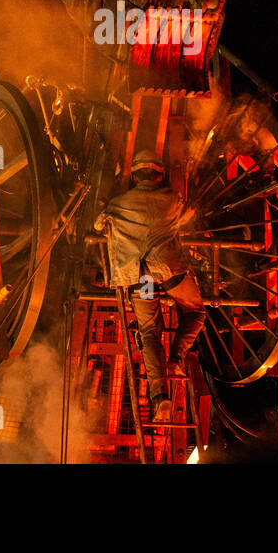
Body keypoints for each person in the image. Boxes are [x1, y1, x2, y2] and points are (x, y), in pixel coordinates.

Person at [95, 150, 206, 423]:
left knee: (149, 333)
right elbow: (188, 216)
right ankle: (177, 359)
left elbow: (98, 225)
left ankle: (159, 398)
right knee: (195, 311)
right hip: (170, 272)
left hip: (142, 278)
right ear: (160, 174)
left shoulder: (118, 203)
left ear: (134, 175)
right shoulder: (171, 200)